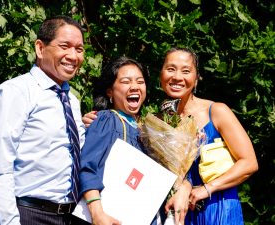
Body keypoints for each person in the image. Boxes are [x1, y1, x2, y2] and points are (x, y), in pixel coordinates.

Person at [0, 15, 87, 225]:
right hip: (30, 214)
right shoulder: (15, 92)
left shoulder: (72, 101)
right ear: (40, 48)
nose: (73, 55)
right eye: (64, 46)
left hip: (70, 216)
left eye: (79, 49)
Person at [161, 47, 258, 225]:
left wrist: (207, 188)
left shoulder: (216, 111)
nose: (177, 77)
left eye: (186, 71)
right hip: (181, 213)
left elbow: (249, 163)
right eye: (171, 69)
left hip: (219, 208)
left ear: (196, 79)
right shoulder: (162, 121)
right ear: (161, 75)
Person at [78, 56, 165, 225]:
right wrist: (97, 213)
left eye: (140, 82)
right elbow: (87, 167)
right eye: (126, 81)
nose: (134, 87)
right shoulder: (107, 120)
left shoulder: (148, 130)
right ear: (110, 91)